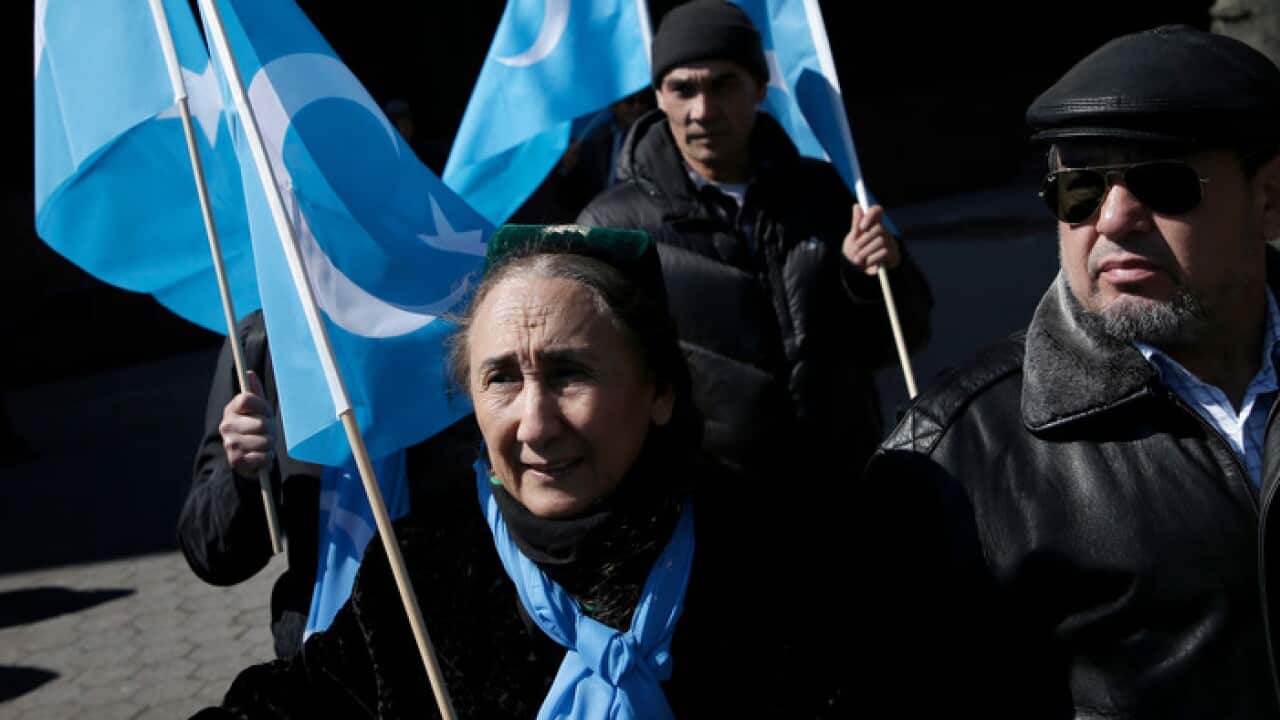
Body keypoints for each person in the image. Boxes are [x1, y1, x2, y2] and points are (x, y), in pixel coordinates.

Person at [192, 224, 825, 718]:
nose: (534, 425)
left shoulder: (770, 557)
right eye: (501, 379)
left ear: (659, 391)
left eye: (570, 374)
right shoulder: (421, 571)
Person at [861, 25, 1280, 717]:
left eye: (1161, 180)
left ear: (1267, 198)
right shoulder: (953, 457)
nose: (1112, 219)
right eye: (1079, 187)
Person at [577, 0, 932, 489]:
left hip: (846, 490)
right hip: (715, 508)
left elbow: (899, 342)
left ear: (759, 88)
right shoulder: (613, 226)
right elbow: (603, 386)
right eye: (683, 89)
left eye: (723, 84)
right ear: (659, 95)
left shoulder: (825, 193)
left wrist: (869, 280)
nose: (703, 111)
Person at [178, 310, 476, 659]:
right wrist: (242, 475)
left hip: (471, 642)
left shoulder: (464, 307)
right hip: (328, 655)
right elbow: (214, 555)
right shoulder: (263, 338)